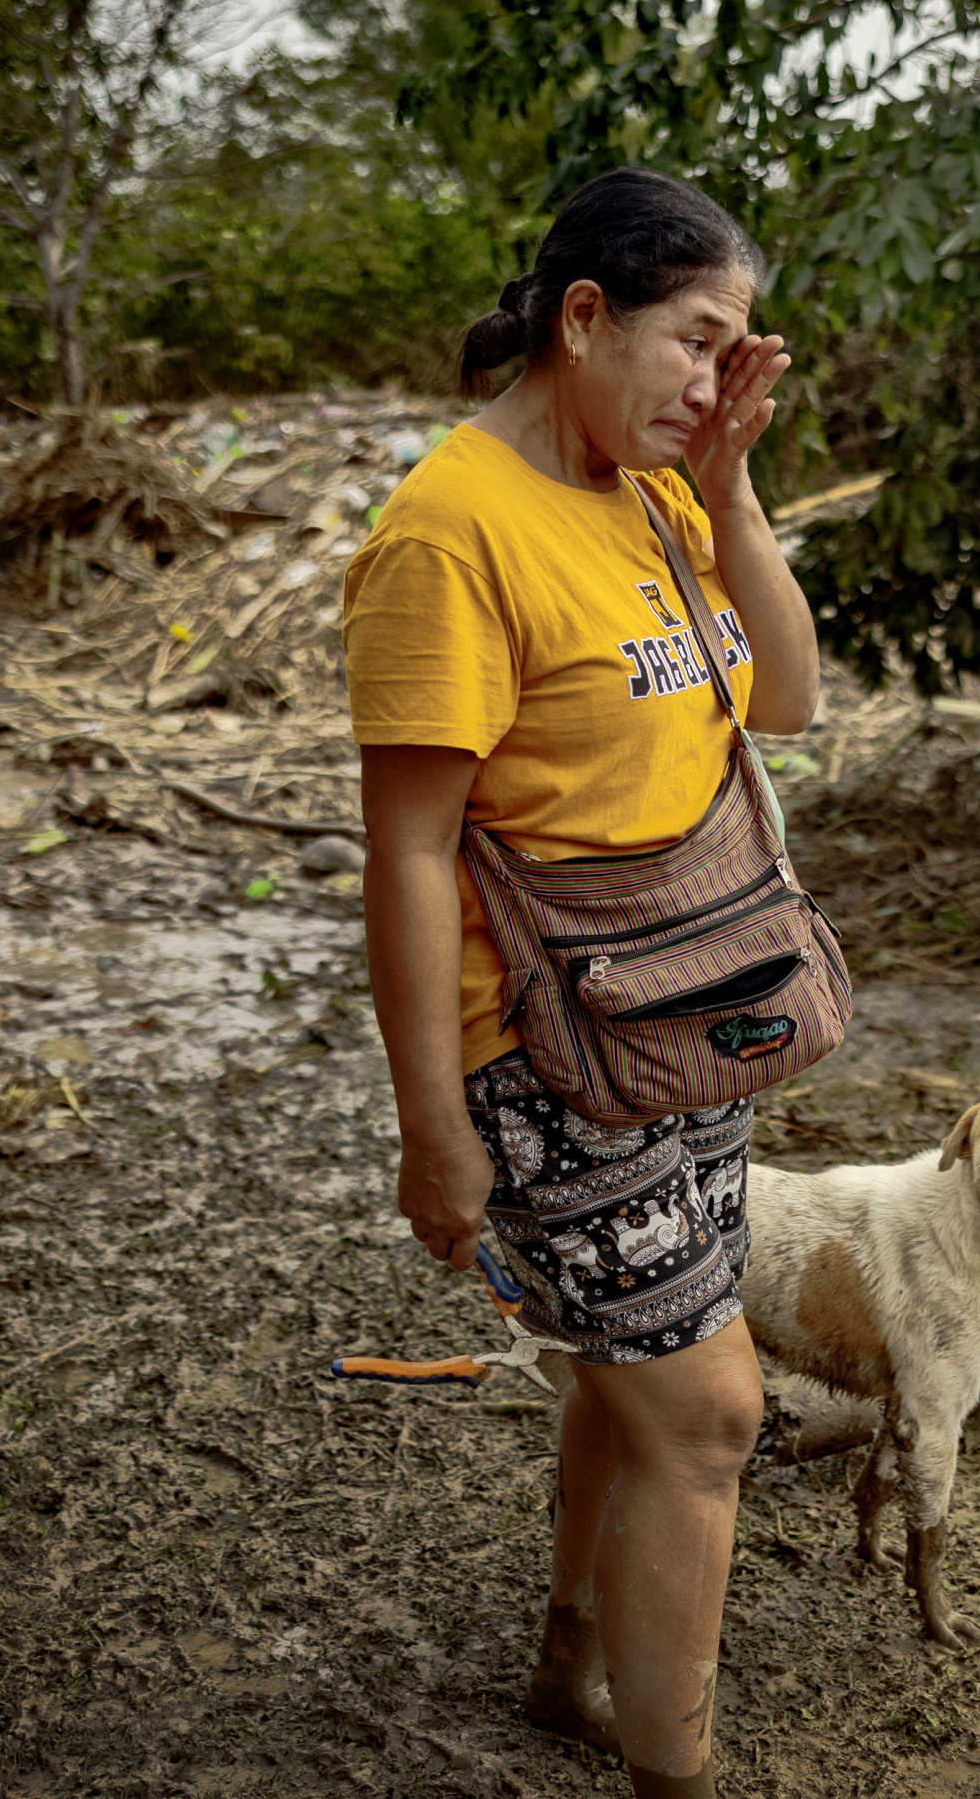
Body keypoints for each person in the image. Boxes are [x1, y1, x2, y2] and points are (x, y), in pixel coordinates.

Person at [341, 166, 819, 1799]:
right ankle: (677, 1779)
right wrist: (433, 1130)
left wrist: (735, 483)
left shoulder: (659, 492)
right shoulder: (449, 532)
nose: (715, 378)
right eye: (697, 341)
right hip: (540, 1053)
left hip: (683, 1020)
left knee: (635, 1379)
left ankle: (569, 1660)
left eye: (737, 347)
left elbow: (792, 702)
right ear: (585, 316)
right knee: (708, 1415)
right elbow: (407, 854)